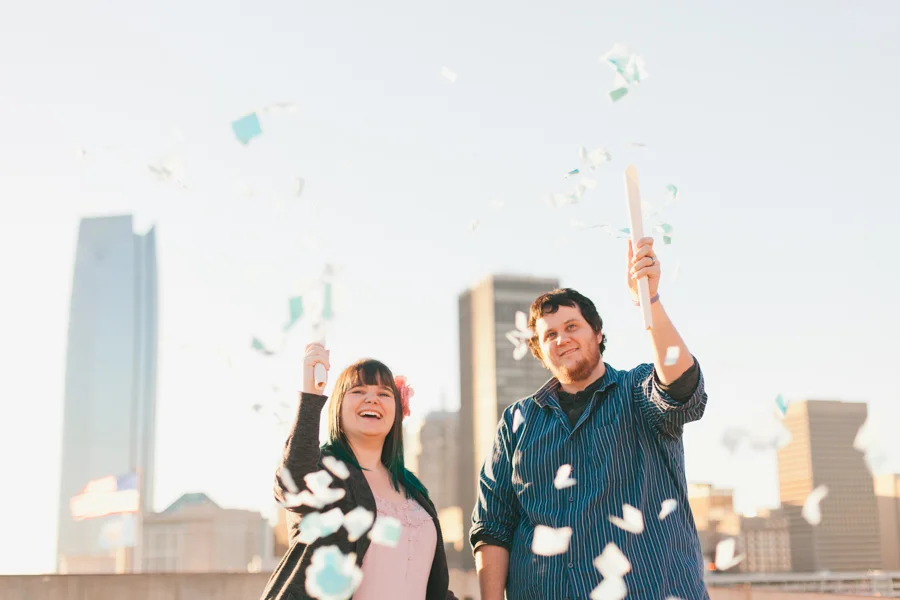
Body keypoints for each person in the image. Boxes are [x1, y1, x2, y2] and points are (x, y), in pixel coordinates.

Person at [471, 237, 710, 600]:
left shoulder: (638, 391)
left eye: (572, 327)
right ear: (540, 352)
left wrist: (649, 301)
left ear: (598, 334)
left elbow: (680, 386)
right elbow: (493, 525)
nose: (561, 339)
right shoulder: (516, 422)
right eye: (549, 335)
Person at [260, 343, 459, 600]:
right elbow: (293, 484)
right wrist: (311, 394)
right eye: (358, 390)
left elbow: (433, 589)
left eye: (384, 394)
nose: (372, 398)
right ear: (338, 408)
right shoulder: (326, 473)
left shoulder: (413, 488)